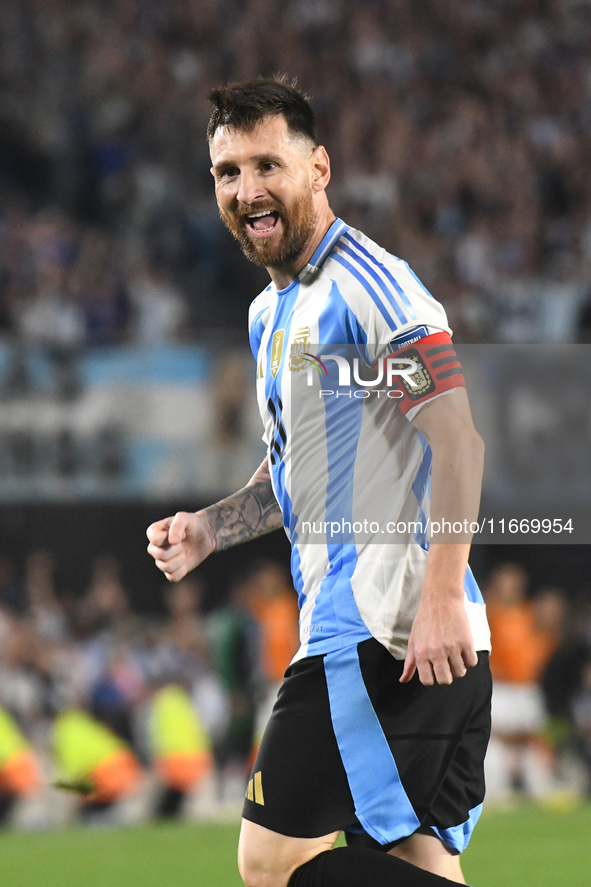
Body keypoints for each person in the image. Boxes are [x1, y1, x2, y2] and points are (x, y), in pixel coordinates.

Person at [147, 77, 491, 887]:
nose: (246, 189)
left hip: (380, 622)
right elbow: (294, 472)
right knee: (411, 861)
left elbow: (458, 440)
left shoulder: (371, 287)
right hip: (388, 628)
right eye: (227, 172)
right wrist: (211, 527)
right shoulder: (271, 313)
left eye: (267, 164)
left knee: (270, 863)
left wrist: (439, 593)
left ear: (318, 168)